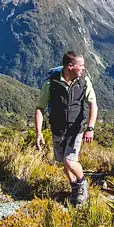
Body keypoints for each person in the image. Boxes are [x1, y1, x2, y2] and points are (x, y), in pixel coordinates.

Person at [35, 51, 97, 205]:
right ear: (70, 66)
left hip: (76, 129)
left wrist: (90, 127)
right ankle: (74, 187)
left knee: (69, 161)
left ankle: (82, 183)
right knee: (63, 162)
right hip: (58, 129)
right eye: (81, 65)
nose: (84, 69)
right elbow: (40, 108)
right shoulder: (50, 83)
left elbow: (93, 104)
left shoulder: (84, 82)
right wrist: (38, 132)